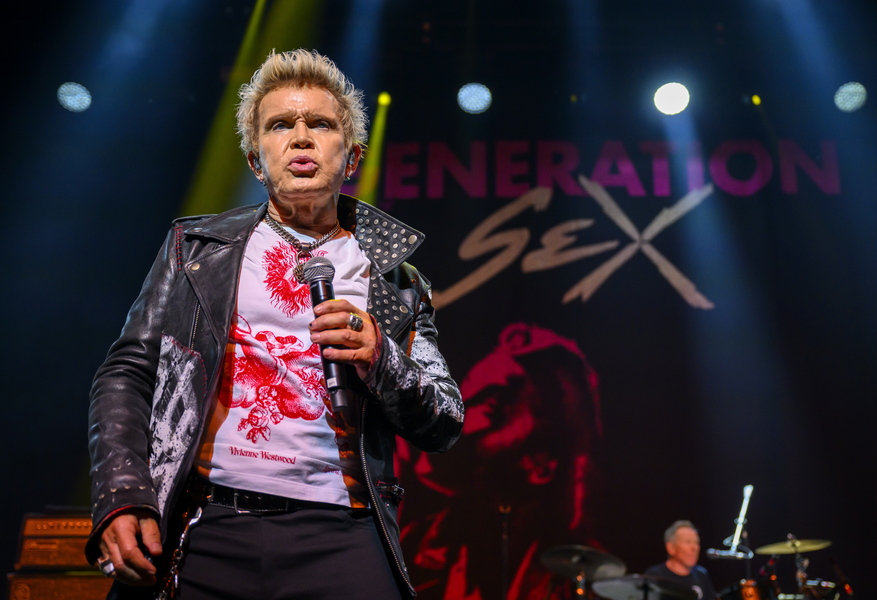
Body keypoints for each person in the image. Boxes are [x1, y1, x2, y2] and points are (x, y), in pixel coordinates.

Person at [85, 48, 464, 600]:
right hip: (209, 523)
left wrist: (380, 355)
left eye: (321, 124)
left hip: (342, 529)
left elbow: (444, 420)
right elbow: (126, 374)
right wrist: (123, 492)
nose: (302, 137)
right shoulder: (197, 250)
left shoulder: (395, 280)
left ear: (352, 156)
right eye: (281, 124)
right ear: (255, 160)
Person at [397, 322, 605, 600]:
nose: (478, 410)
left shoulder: (579, 573)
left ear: (542, 464)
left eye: (503, 399)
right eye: (476, 397)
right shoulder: (416, 544)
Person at [645, 520, 718, 600]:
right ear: (671, 548)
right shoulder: (655, 575)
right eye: (688, 542)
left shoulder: (701, 575)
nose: (694, 548)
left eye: (697, 542)